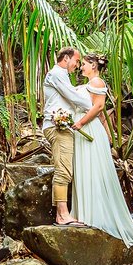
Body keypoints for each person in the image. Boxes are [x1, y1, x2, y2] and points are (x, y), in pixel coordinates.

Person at [69, 53, 133, 246]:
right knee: (84, 171)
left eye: (84, 64)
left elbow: (99, 106)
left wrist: (80, 123)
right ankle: (82, 214)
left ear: (94, 65)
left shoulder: (98, 82)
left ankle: (94, 215)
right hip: (81, 129)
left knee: (93, 170)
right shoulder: (87, 84)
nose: (81, 67)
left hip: (89, 129)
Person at [42, 47, 97, 225]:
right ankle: (62, 215)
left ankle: (63, 213)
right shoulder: (57, 74)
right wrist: (94, 105)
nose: (78, 65)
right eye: (76, 61)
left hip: (62, 126)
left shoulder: (62, 76)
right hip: (57, 127)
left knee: (65, 168)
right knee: (64, 169)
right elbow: (73, 97)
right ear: (66, 58)